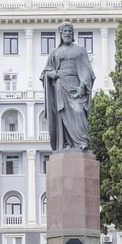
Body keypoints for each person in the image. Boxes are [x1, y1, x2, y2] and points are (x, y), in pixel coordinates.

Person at [40, 21, 96, 151]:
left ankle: (82, 141)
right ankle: (66, 143)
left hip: (76, 87)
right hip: (60, 87)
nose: (67, 34)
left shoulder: (80, 50)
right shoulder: (55, 52)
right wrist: (51, 74)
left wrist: (83, 86)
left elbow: (87, 70)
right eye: (64, 31)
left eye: (69, 31)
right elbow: (44, 73)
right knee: (62, 114)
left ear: (72, 33)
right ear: (60, 34)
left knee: (78, 111)